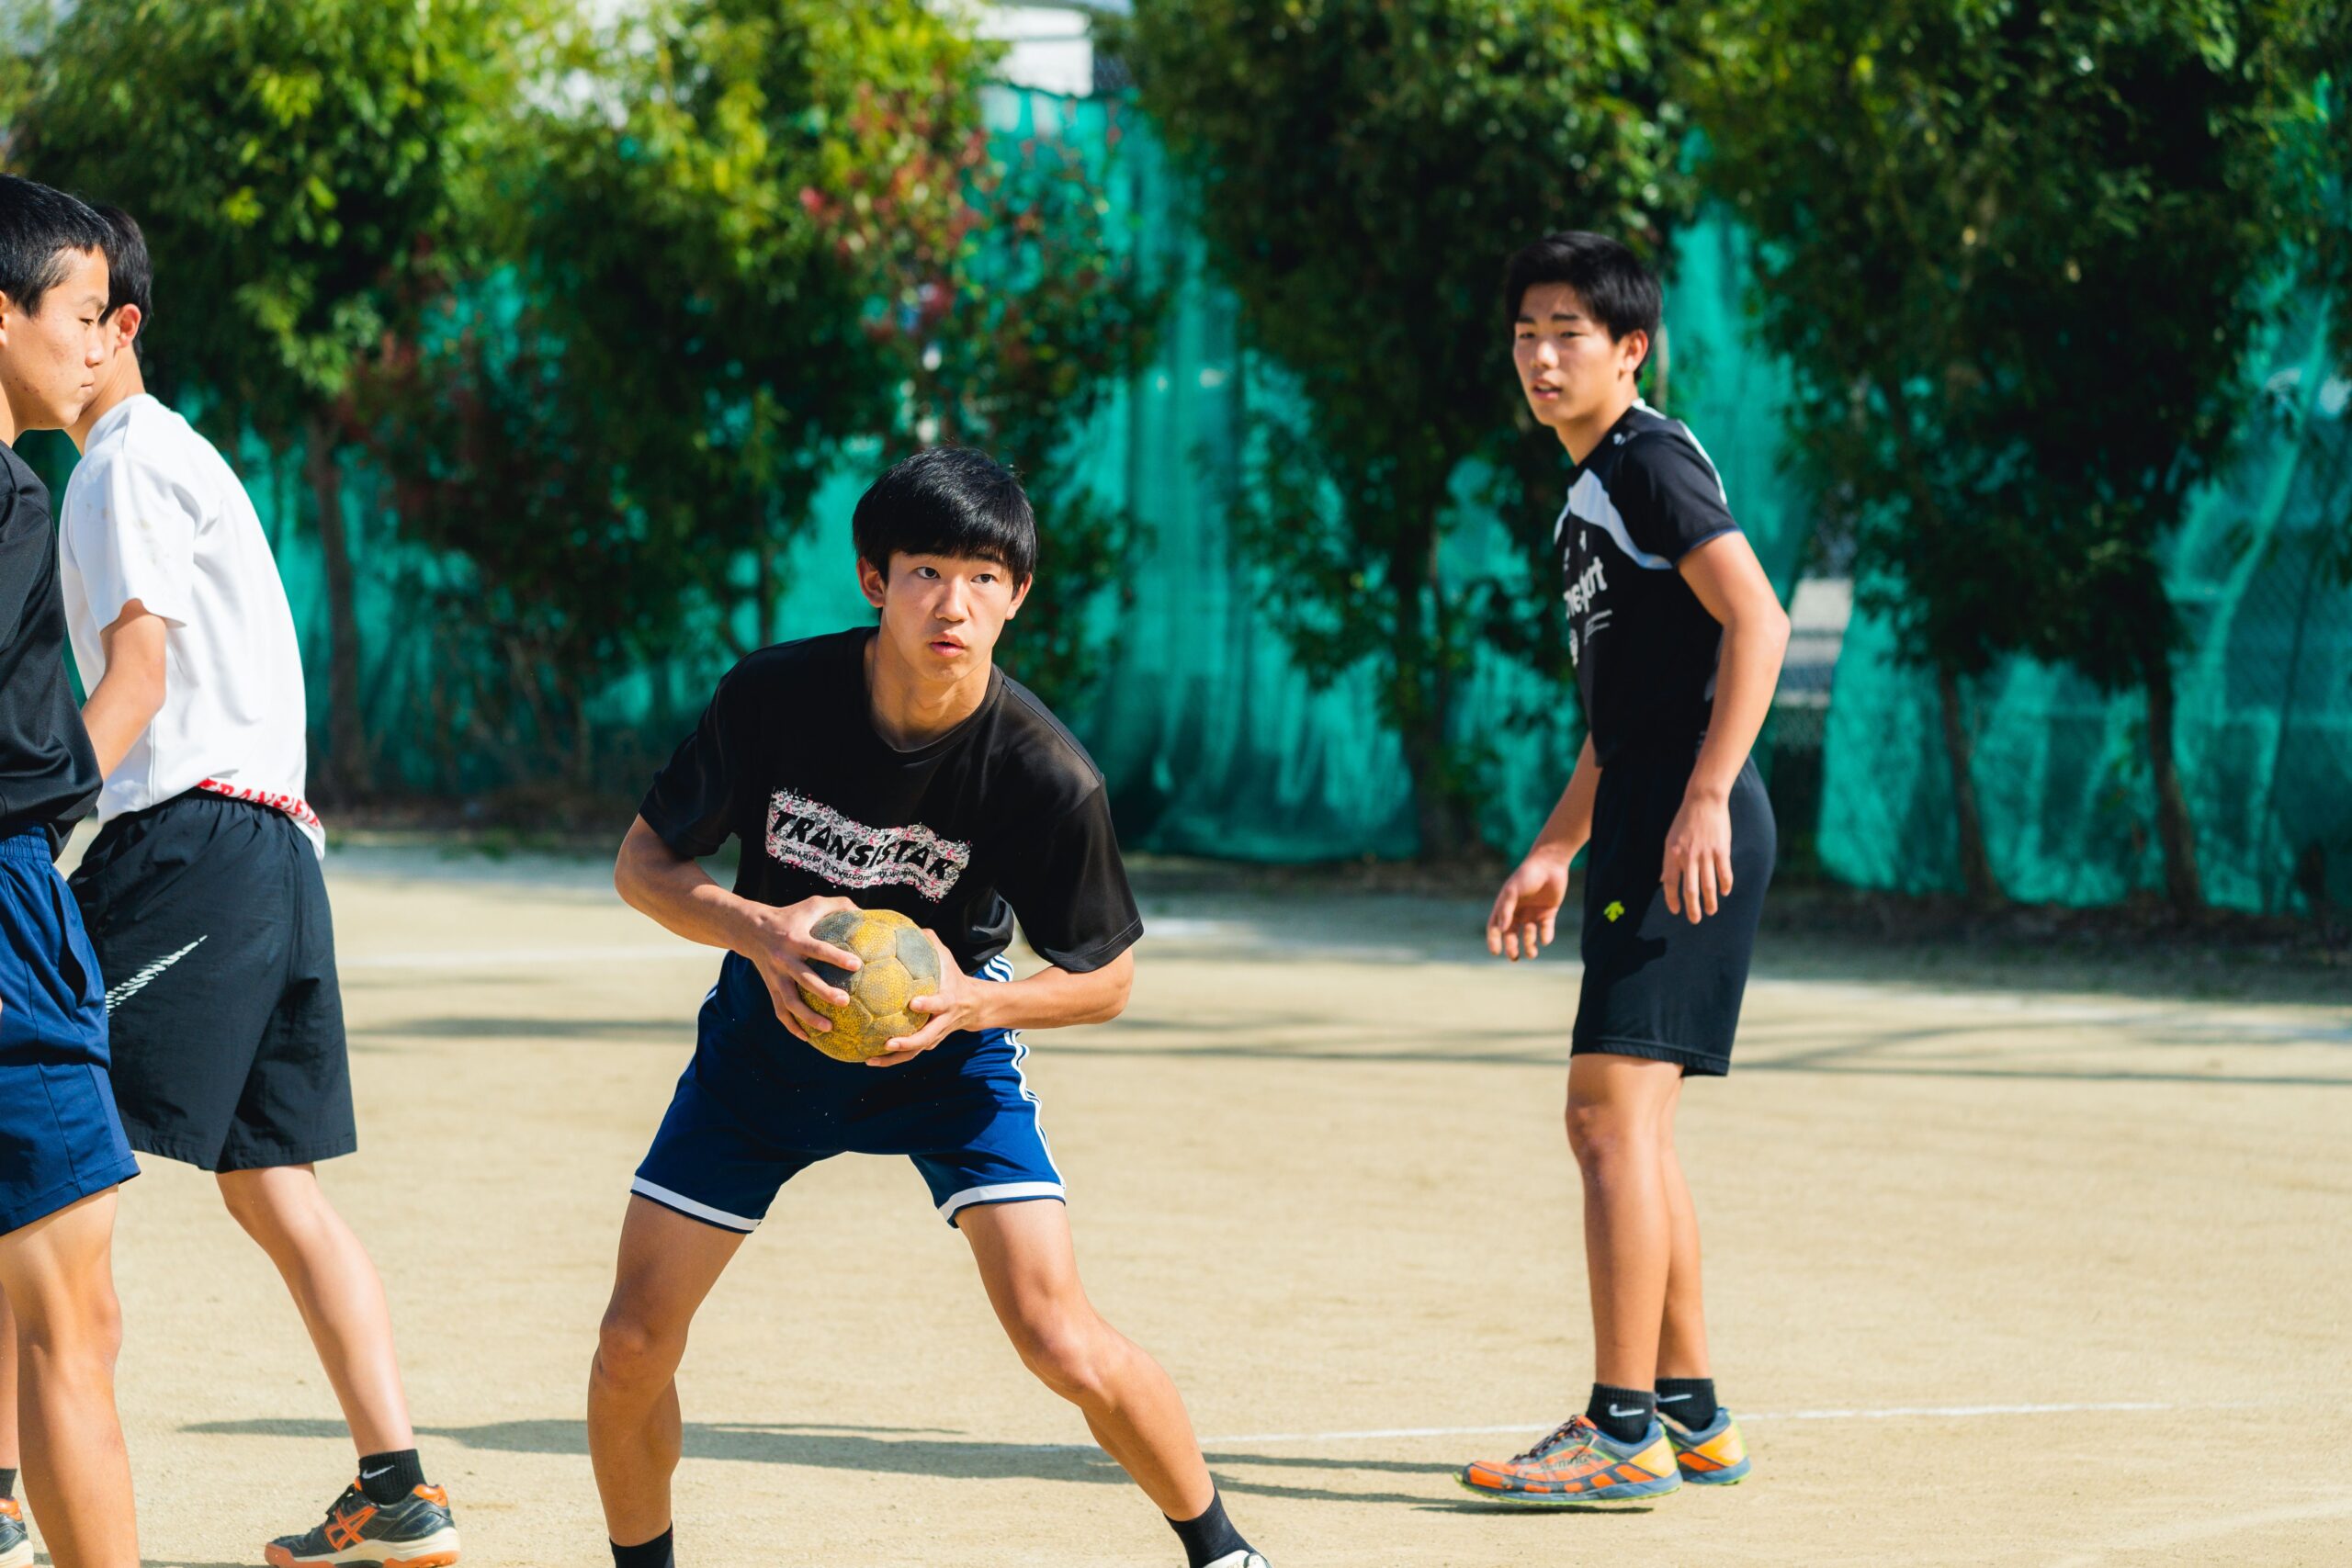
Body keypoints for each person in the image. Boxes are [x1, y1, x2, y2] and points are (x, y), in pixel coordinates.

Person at [591, 447, 1268, 1568]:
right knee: (630, 1345)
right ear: (874, 579)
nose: (954, 604)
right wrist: (758, 928)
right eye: (927, 572)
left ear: (1018, 597)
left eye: (986, 579)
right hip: (767, 1046)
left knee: (1059, 1339)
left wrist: (965, 1006)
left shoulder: (1046, 774)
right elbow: (642, 866)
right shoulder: (773, 698)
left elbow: (1107, 976)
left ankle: (1225, 1552)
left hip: (946, 1056)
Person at [40, 205, 458, 1567]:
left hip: (195, 844)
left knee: (26, 1147)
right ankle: (396, 1487)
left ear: (117, 328)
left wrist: (28, 831)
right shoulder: (182, 456)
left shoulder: (116, 467)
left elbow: (140, 679)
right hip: (277, 847)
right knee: (272, 1180)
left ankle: (0, 1490)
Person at [1460, 231, 1789, 1506]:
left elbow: (1757, 617)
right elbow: (1627, 712)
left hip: (1687, 824)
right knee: (1634, 1128)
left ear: (1628, 348)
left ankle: (1620, 1425)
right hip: (1649, 812)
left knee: (1604, 1118)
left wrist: (1704, 797)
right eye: (1527, 333)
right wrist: (1554, 843)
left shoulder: (1645, 460)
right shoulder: (1590, 489)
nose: (1543, 356)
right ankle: (1692, 1412)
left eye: (1570, 334)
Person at [0, 173, 140, 1568]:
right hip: (3, 919)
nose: (95, 347)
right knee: (71, 1321)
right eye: (79, 315)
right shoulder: (11, 500)